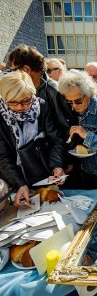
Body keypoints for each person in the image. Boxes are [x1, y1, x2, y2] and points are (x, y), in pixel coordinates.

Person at [0, 71, 65, 207]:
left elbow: (55, 139)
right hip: (13, 177)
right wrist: (20, 184)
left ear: (33, 94)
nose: (20, 108)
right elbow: (2, 156)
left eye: (25, 101)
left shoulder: (42, 106)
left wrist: (56, 165)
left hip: (42, 175)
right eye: (13, 103)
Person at [58, 70, 97, 189]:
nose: (74, 106)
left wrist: (86, 134)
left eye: (78, 101)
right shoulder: (70, 110)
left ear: (88, 93)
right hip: (80, 169)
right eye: (69, 102)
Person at [8, 44, 77, 141]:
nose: (12, 74)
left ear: (26, 69)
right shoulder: (22, 90)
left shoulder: (54, 90)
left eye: (13, 70)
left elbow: (67, 129)